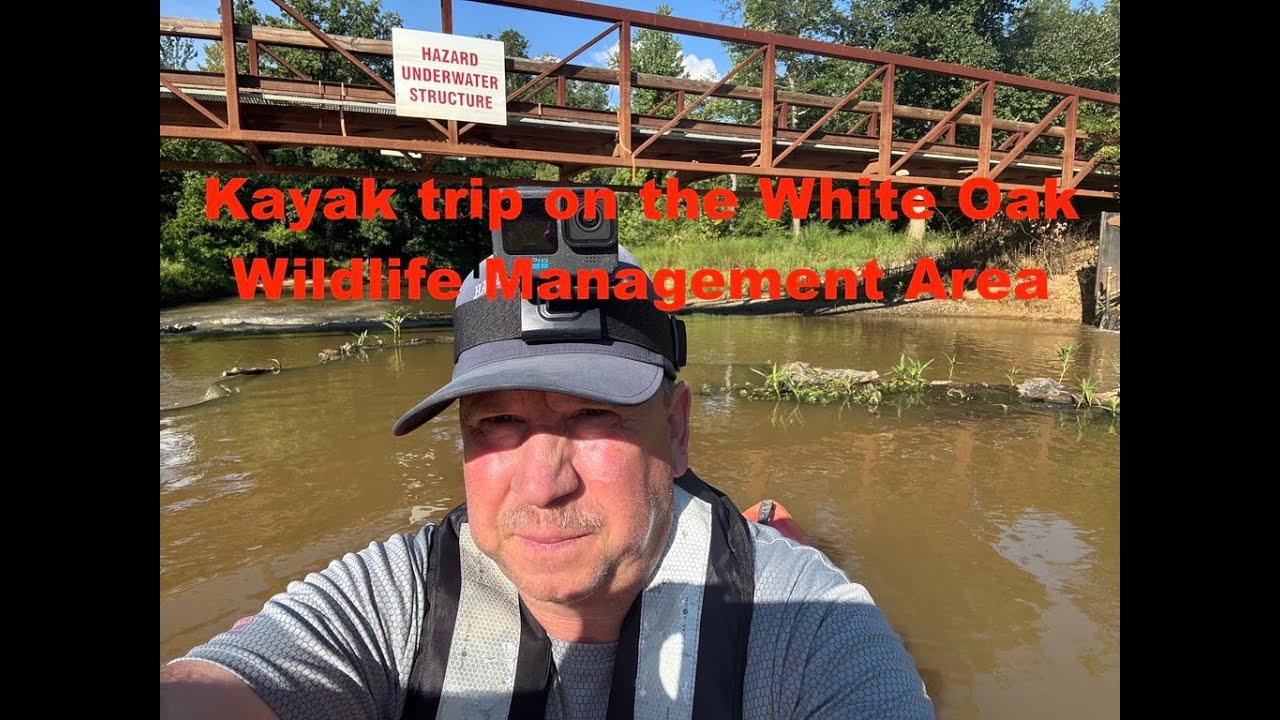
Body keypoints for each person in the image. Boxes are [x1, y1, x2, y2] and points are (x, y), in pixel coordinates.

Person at [160, 248, 935, 720]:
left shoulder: (806, 627)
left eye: (594, 414)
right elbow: (214, 687)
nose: (542, 482)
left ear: (678, 426)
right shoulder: (393, 601)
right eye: (494, 425)